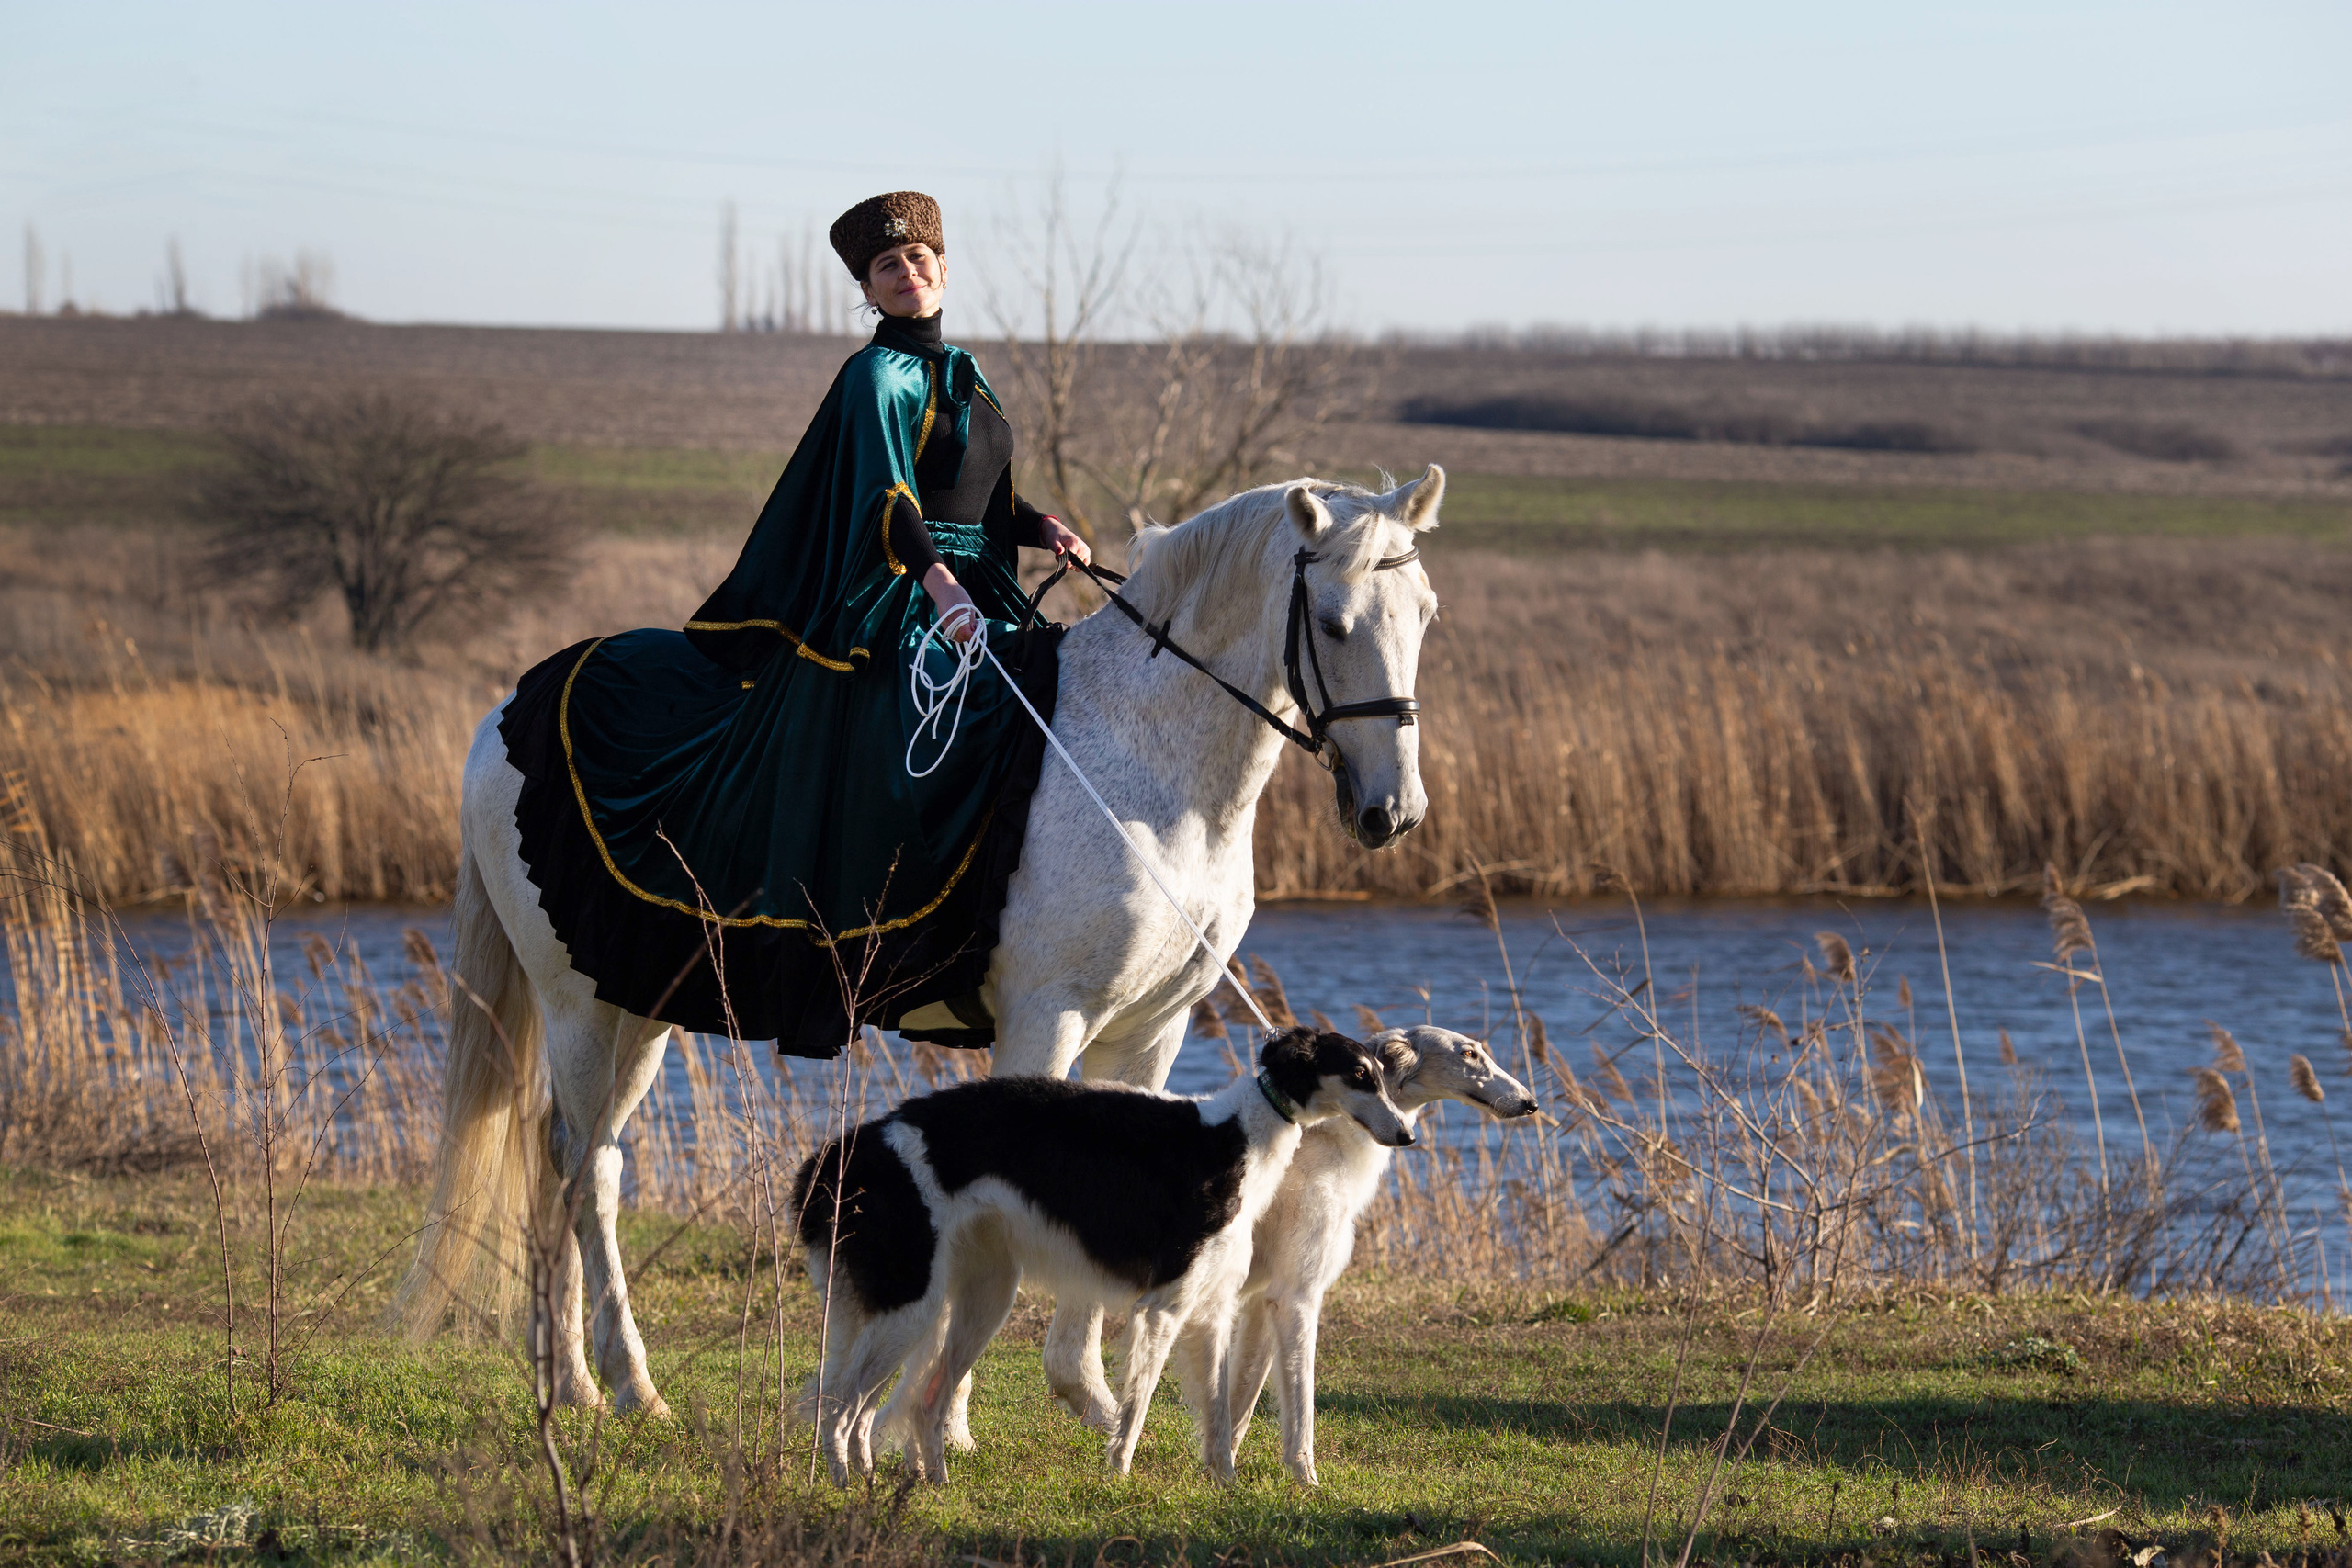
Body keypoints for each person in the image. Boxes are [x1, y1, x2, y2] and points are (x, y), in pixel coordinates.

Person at [497, 191, 1084, 1055]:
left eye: (920, 259)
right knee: (893, 720)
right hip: (891, 582)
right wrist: (937, 582)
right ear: (870, 289)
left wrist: (1041, 528)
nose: (908, 273)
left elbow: (983, 493)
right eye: (889, 267)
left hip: (976, 583)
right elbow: (888, 498)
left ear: (945, 270)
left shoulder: (966, 372)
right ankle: (862, 940)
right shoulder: (874, 377)